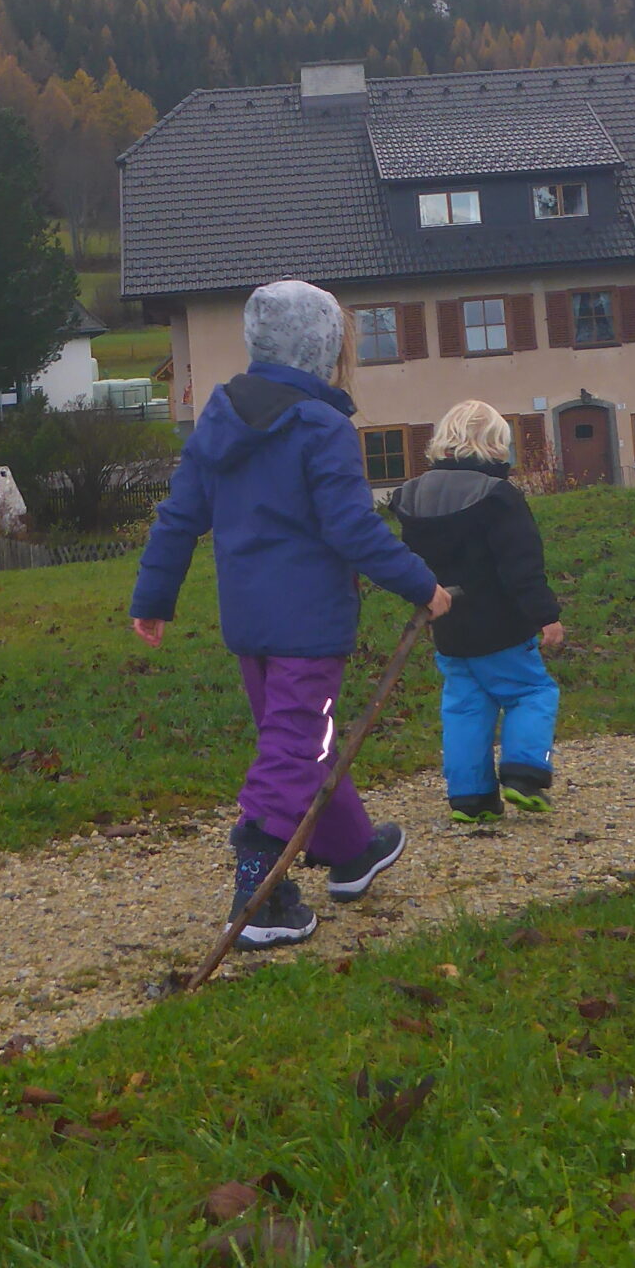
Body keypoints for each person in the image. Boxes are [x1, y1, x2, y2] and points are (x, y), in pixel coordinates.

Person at [129, 279, 451, 948]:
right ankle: (259, 893)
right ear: (322, 349)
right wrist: (422, 585)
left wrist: (153, 599)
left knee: (300, 740)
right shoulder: (321, 426)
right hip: (308, 625)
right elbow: (352, 527)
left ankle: (352, 850)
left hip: (250, 623)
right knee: (296, 746)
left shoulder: (219, 418)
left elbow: (179, 515)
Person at [390, 399, 564, 824]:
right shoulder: (497, 496)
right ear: (496, 445)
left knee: (465, 707)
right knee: (531, 692)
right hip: (502, 625)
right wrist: (546, 615)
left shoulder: (412, 496)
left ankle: (471, 797)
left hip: (448, 626)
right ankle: (524, 774)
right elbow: (521, 565)